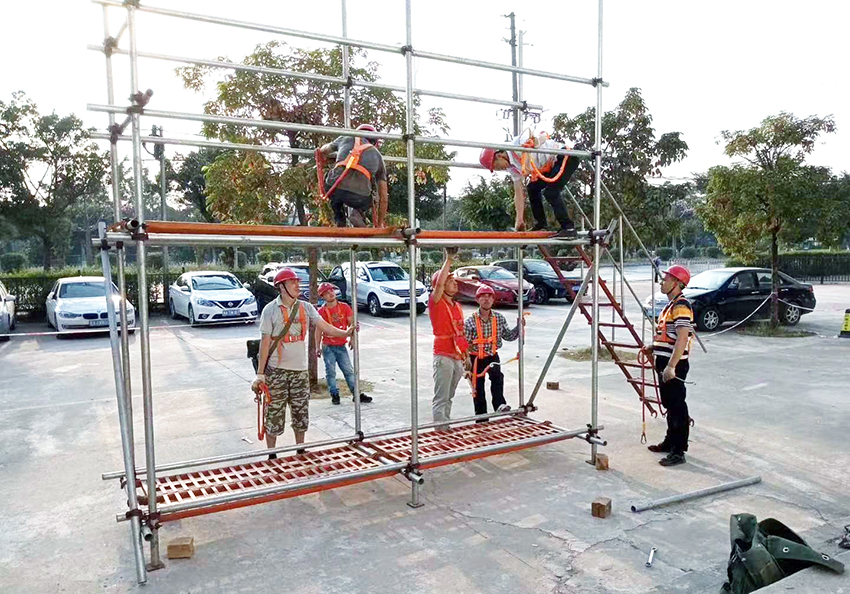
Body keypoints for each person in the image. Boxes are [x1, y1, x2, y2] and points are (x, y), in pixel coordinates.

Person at [252, 268, 356, 457]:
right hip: (277, 372)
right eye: (293, 282)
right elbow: (265, 343)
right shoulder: (270, 310)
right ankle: (272, 454)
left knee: (301, 413)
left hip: (300, 372)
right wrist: (260, 374)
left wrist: (345, 333)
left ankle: (300, 449)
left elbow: (325, 326)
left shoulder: (306, 307)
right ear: (282, 287)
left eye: (297, 282)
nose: (297, 285)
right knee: (274, 414)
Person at [639, 265, 694, 467]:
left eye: (666, 279)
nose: (662, 282)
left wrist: (672, 366)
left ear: (677, 283)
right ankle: (670, 442)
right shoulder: (670, 306)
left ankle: (679, 450)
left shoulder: (681, 306)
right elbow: (668, 336)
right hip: (664, 362)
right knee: (669, 404)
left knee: (677, 406)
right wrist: (653, 347)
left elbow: (682, 337)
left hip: (674, 364)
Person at [479, 129, 580, 237]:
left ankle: (568, 228)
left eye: (497, 166)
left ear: (499, 155)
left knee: (551, 192)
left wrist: (536, 142)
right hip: (551, 166)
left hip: (565, 157)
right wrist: (519, 219)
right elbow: (518, 194)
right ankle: (541, 224)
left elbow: (541, 136)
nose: (501, 169)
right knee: (532, 188)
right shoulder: (513, 168)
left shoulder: (518, 144)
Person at [463, 285, 524, 419]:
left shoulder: (499, 318)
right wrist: (466, 366)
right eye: (483, 296)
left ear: (493, 300)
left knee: (497, 378)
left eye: (489, 296)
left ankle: (499, 405)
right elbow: (464, 346)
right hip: (475, 359)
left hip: (492, 356)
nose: (486, 299)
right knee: (478, 389)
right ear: (478, 300)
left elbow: (508, 336)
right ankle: (481, 418)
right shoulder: (470, 321)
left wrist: (519, 327)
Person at [318, 123, 388, 228]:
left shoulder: (345, 137)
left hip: (333, 187)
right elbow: (383, 197)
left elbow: (324, 150)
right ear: (374, 142)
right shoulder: (378, 157)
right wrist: (380, 223)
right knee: (372, 197)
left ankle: (339, 218)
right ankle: (358, 213)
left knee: (334, 190)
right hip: (359, 197)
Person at [429, 247, 469, 427]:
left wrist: (466, 355)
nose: (455, 284)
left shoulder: (457, 306)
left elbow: (461, 333)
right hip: (443, 356)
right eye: (450, 281)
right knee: (441, 396)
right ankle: (440, 429)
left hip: (457, 356)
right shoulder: (436, 302)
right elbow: (438, 285)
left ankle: (445, 425)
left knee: (449, 396)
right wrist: (449, 259)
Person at [314, 282, 372, 406]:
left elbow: (353, 324)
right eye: (326, 293)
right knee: (330, 371)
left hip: (341, 345)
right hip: (328, 346)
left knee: (348, 370)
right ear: (322, 296)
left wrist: (352, 338)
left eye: (331, 291)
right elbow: (318, 330)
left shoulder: (344, 307)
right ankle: (334, 394)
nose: (330, 294)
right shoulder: (322, 311)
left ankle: (356, 394)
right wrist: (317, 347)